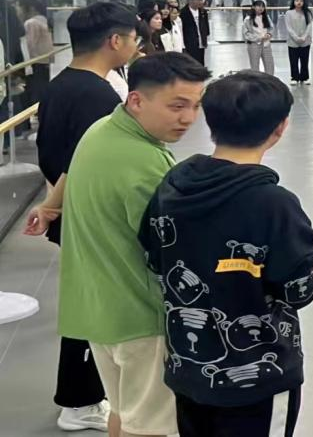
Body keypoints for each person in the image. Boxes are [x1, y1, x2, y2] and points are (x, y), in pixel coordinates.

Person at [139, 71, 313, 437]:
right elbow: (298, 291)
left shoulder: (173, 185)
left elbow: (154, 254)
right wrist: (309, 268)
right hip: (258, 378)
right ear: (280, 128)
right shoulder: (274, 204)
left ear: (210, 121)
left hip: (189, 370)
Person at [55, 53, 211, 437]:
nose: (189, 118)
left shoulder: (101, 131)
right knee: (149, 427)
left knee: (123, 414)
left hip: (98, 306)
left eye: (196, 106)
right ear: (137, 100)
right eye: (177, 106)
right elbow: (174, 251)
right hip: (141, 316)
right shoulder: (144, 162)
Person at [23, 2, 139, 433]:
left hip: (72, 209)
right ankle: (79, 401)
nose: (135, 45)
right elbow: (83, 163)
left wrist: (51, 206)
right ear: (115, 40)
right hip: (88, 214)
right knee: (94, 310)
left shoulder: (61, 85)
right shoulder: (97, 96)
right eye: (133, 38)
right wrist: (54, 206)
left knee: (87, 303)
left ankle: (83, 396)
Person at [17, 0, 53, 105]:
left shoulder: (31, 23)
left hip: (35, 63)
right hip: (45, 62)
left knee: (35, 93)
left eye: (19, 7)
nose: (18, 11)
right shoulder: (43, 20)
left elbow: (29, 46)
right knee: (42, 91)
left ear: (30, 8)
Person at [285, 0, 312, 85]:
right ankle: (294, 77)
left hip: (305, 41)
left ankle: (304, 77)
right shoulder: (289, 13)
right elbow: (289, 27)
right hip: (293, 41)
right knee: (293, 60)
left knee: (305, 60)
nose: (299, 2)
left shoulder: (307, 13)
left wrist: (304, 37)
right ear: (293, 2)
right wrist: (296, 38)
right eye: (297, 1)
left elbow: (309, 26)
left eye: (301, 1)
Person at [242, 0, 275, 75]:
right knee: (255, 66)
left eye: (262, 6)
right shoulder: (248, 19)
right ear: (253, 7)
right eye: (258, 6)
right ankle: (256, 81)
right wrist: (259, 38)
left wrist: (269, 34)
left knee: (270, 65)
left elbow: (271, 28)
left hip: (266, 44)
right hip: (254, 45)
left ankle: (269, 80)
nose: (261, 8)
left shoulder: (266, 17)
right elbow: (246, 34)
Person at [180, 0, 211, 65]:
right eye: (199, 0)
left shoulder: (203, 12)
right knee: (191, 63)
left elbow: (206, 26)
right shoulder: (183, 13)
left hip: (201, 42)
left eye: (202, 0)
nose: (201, 2)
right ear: (190, 0)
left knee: (201, 62)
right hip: (189, 44)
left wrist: (205, 36)